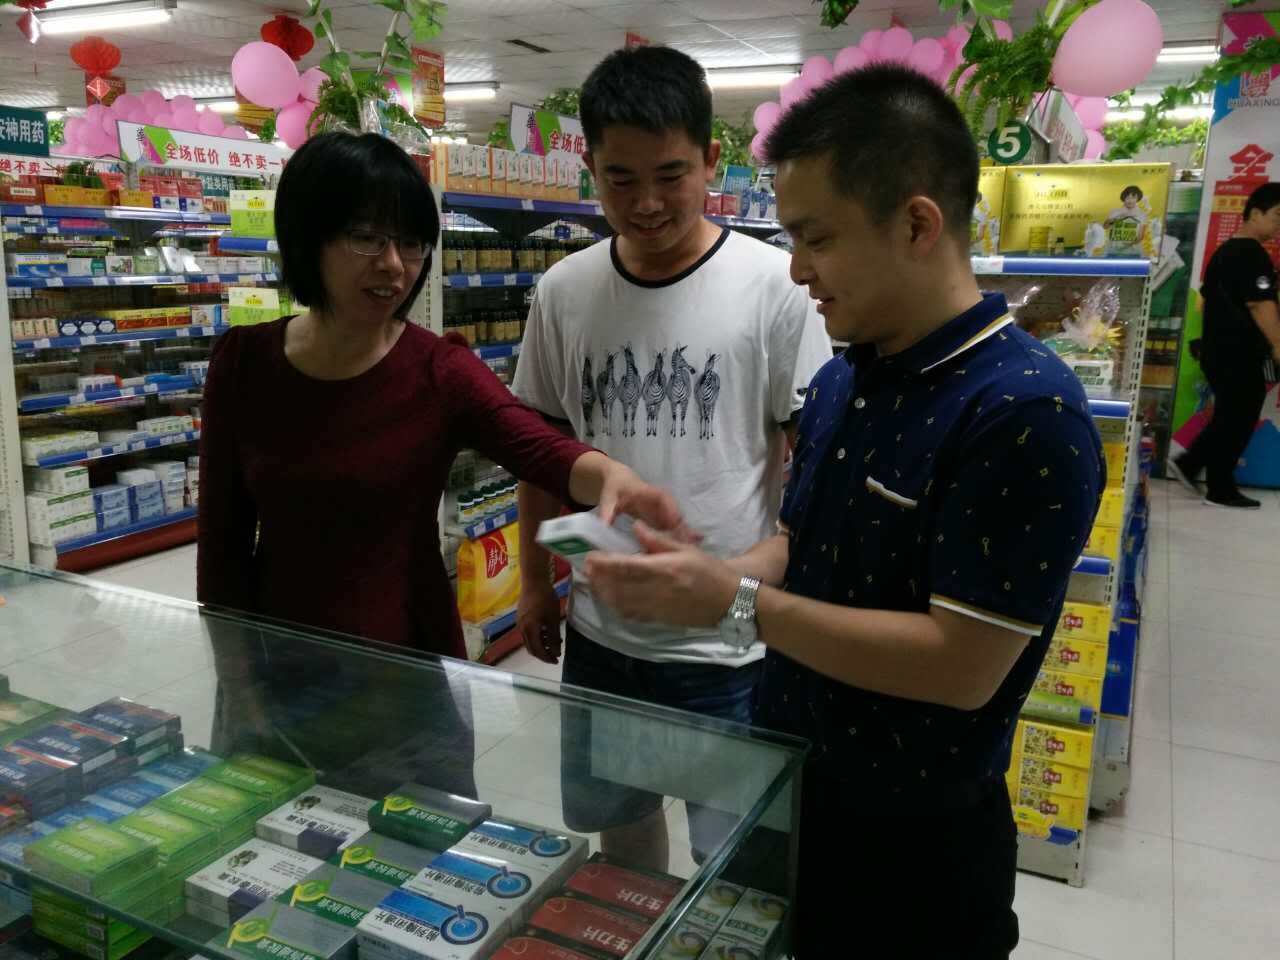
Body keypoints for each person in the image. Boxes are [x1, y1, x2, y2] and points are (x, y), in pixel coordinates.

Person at [582, 66, 1104, 958]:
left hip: (913, 849)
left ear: (917, 224)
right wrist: (704, 576)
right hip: (788, 787)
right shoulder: (843, 377)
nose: (797, 269)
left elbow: (961, 665)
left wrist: (735, 605)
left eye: (816, 238)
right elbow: (803, 544)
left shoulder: (1023, 412)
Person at [197, 132, 684, 791]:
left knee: (413, 840)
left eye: (410, 243)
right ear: (309, 237)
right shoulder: (243, 365)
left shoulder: (437, 371)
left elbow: (534, 444)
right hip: (279, 667)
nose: (394, 266)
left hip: (404, 674)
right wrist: (241, 689)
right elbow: (221, 549)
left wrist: (609, 476)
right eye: (366, 238)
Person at [511, 46, 831, 872]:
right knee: (621, 833)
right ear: (589, 167)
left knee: (736, 857)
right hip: (601, 633)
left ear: (712, 159)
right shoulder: (565, 291)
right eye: (620, 179)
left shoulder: (777, 288)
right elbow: (543, 451)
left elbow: (815, 479)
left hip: (727, 643)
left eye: (671, 175)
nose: (647, 203)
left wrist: (760, 594)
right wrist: (533, 583)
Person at [1170, 182, 1280, 508]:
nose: (1279, 225)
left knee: (1231, 414)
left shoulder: (1223, 254)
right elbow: (1260, 304)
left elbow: (1206, 301)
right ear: (1255, 213)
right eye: (1277, 215)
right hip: (1239, 352)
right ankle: (1217, 485)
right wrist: (1278, 344)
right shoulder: (1252, 255)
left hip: (1218, 350)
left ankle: (1194, 466)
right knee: (1239, 417)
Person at [1104, 184, 1149, 255]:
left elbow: (1140, 236)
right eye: (1127, 197)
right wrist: (1115, 217)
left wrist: (1127, 245)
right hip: (1114, 249)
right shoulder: (1115, 211)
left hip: (1133, 251)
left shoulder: (1142, 214)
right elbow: (1105, 226)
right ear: (1123, 198)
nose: (1130, 200)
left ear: (1137, 199)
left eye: (1133, 197)